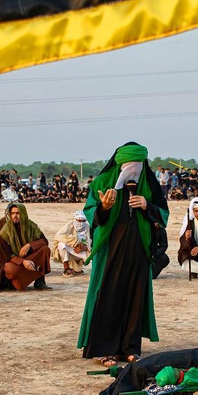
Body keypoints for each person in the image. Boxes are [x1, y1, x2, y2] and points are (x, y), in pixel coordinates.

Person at [77, 141, 169, 365]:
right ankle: (104, 348)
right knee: (108, 294)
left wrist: (148, 205)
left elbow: (163, 214)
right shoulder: (102, 182)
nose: (133, 172)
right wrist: (104, 207)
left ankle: (129, 347)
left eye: (137, 166)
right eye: (129, 166)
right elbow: (91, 213)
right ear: (119, 165)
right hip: (111, 250)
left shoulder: (150, 185)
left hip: (138, 249)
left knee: (134, 297)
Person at [0, 203, 51, 291]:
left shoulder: (31, 226)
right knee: (11, 269)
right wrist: (23, 261)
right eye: (13, 213)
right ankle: (15, 282)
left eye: (17, 213)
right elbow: (6, 253)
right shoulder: (5, 230)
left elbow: (44, 241)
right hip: (14, 259)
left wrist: (29, 245)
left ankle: (40, 281)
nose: (15, 216)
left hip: (29, 256)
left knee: (45, 250)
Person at [52, 210, 91, 276]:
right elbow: (58, 236)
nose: (81, 223)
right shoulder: (70, 225)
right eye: (79, 220)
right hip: (70, 249)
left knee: (93, 254)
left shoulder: (87, 226)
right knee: (61, 244)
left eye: (83, 221)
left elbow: (90, 241)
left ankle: (77, 269)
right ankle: (66, 267)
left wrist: (84, 248)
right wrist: (74, 242)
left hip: (82, 250)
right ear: (75, 220)